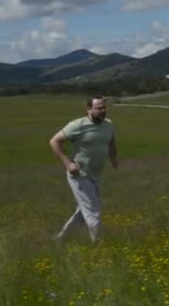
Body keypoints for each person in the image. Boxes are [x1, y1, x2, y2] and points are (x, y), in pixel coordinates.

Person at [49, 96, 118, 243]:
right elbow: (54, 141)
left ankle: (61, 239)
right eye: (99, 108)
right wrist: (68, 164)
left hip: (96, 174)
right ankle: (98, 245)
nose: (103, 111)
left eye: (104, 108)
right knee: (93, 211)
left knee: (83, 211)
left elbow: (111, 142)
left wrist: (114, 159)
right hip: (79, 174)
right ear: (89, 109)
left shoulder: (109, 125)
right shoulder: (77, 125)